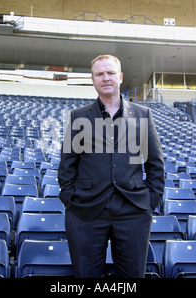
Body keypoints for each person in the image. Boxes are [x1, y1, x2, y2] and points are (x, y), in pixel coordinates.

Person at [58, 55, 165, 278]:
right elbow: (67, 166)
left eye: (110, 73)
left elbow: (155, 164)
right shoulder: (78, 117)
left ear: (120, 77)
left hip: (133, 211)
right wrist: (71, 199)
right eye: (99, 74)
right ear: (93, 79)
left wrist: (149, 202)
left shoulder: (143, 114)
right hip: (86, 212)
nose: (105, 78)